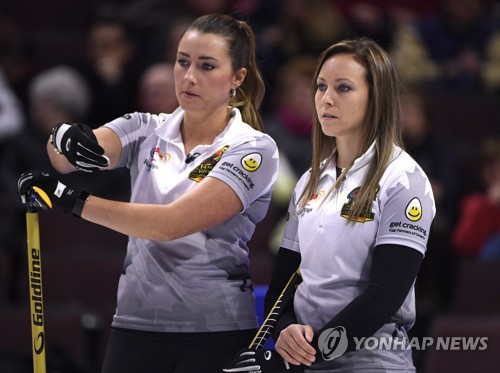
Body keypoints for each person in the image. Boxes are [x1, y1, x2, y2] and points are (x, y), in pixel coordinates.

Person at [18, 13, 278, 373]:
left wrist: (71, 200)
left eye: (206, 66)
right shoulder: (145, 128)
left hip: (216, 331)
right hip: (135, 325)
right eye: (182, 61)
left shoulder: (253, 149)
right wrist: (62, 136)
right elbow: (65, 160)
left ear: (237, 77)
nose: (189, 77)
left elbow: (171, 224)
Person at [224, 37, 436, 372]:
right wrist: (284, 331)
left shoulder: (404, 180)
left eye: (343, 88)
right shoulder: (310, 180)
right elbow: (284, 284)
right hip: (308, 359)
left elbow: (384, 297)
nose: (326, 99)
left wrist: (313, 350)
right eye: (321, 87)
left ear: (376, 98)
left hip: (371, 360)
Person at [452, 137, 500, 260]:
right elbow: (462, 243)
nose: (494, 172)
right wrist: (489, 202)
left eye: (498, 165)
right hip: (484, 271)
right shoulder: (474, 202)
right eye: (489, 166)